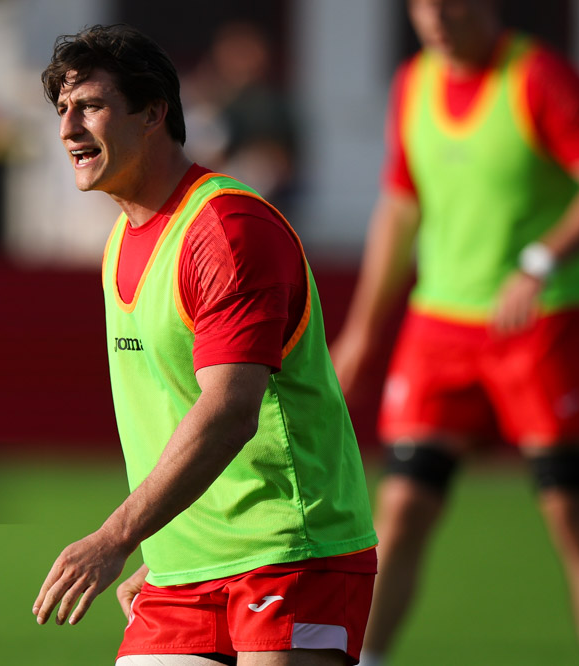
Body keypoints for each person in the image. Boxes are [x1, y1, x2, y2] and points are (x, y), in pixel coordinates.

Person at [33, 24, 377, 666]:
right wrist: (165, 550)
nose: (68, 129)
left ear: (155, 112)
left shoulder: (227, 229)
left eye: (91, 106)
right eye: (62, 111)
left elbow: (227, 413)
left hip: (287, 556)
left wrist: (115, 539)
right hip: (180, 571)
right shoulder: (121, 240)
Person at [329, 2, 579, 665]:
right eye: (422, 6)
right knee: (400, 510)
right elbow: (400, 208)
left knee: (572, 516)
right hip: (440, 330)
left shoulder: (539, 78)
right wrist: (362, 333)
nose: (435, 20)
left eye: (450, 4)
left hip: (542, 328)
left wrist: (540, 262)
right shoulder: (413, 84)